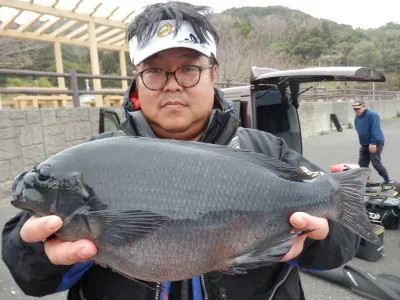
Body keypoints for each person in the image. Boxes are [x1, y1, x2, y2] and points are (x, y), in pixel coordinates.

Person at [2, 2, 361, 300]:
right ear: (138, 80)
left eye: (188, 68)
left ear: (213, 73)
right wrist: (39, 254)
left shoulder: (267, 149)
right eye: (155, 71)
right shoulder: (91, 159)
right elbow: (28, 274)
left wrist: (318, 239)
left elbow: (341, 245)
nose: (172, 85)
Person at [352, 100, 392, 184]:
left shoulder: (372, 115)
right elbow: (360, 131)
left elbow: (375, 129)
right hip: (365, 144)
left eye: (358, 108)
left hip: (375, 142)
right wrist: (362, 144)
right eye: (354, 109)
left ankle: (388, 181)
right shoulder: (357, 118)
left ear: (364, 107)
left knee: (375, 163)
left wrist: (373, 143)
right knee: (362, 164)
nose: (356, 110)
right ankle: (363, 183)